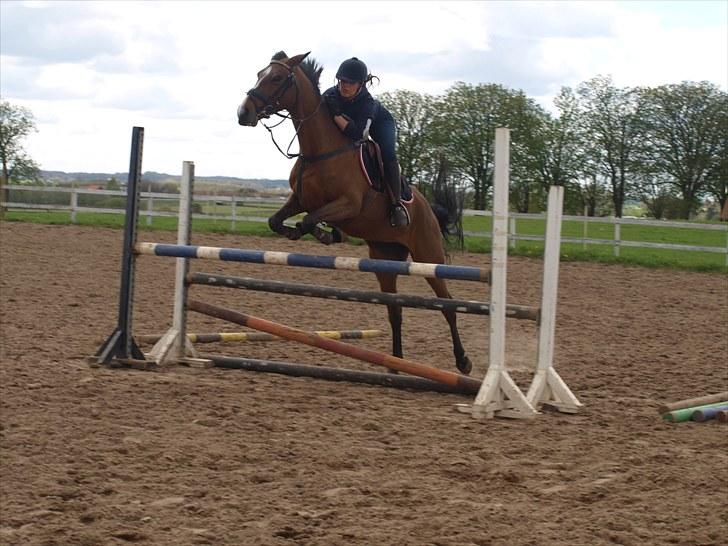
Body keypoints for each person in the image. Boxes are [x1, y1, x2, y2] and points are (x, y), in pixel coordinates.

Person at [322, 57, 410, 228]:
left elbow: (358, 134)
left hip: (379, 124)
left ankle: (396, 205)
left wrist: (335, 114)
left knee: (388, 155)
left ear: (361, 84)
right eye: (341, 81)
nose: (344, 86)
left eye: (350, 82)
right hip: (349, 126)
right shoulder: (330, 94)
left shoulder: (368, 103)